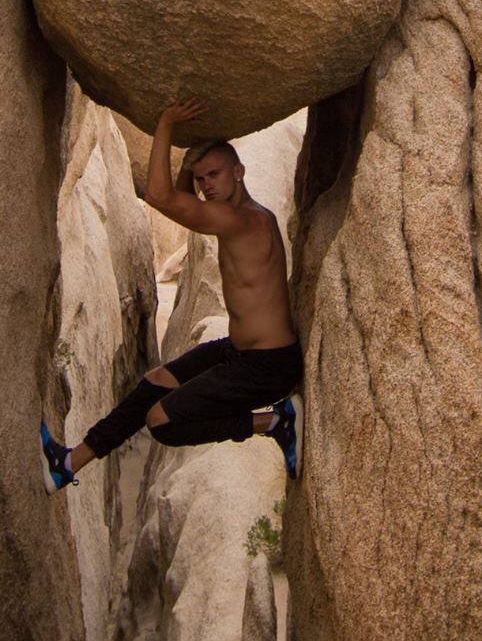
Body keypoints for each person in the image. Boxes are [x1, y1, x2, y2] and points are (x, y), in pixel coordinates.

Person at [40, 99, 304, 492]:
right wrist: (188, 168)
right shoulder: (235, 215)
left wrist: (166, 123)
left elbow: (161, 199)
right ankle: (70, 462)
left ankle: (272, 423)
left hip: (266, 366)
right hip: (241, 351)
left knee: (161, 421)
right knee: (156, 381)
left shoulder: (240, 220)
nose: (206, 186)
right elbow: (182, 206)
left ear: (239, 171)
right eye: (201, 180)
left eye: (214, 175)